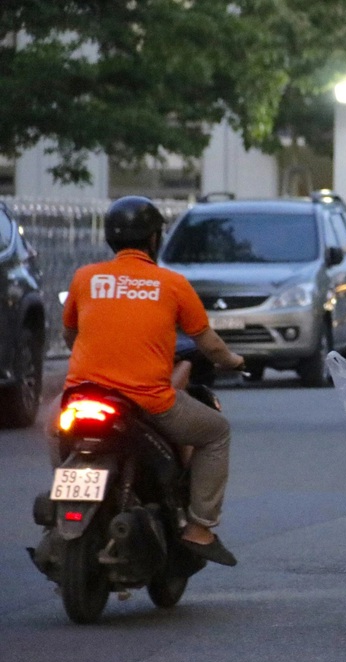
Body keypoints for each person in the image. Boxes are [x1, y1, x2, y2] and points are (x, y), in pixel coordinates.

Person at [58, 196, 245, 566]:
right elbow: (208, 343)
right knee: (216, 431)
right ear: (155, 239)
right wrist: (233, 360)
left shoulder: (84, 278)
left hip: (79, 396)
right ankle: (200, 527)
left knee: (55, 431)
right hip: (147, 402)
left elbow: (70, 335)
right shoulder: (171, 283)